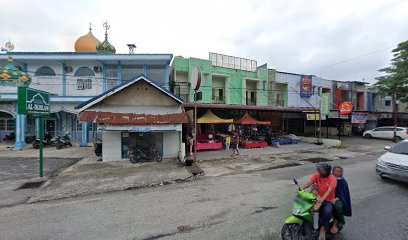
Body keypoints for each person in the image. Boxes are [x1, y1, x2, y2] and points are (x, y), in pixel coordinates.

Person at [300, 162, 337, 240]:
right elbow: (309, 183)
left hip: (328, 200)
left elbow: (329, 191)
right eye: (319, 169)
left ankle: (322, 230)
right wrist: (301, 188)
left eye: (321, 170)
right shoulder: (317, 175)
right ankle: (310, 224)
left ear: (327, 171)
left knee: (327, 212)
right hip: (318, 197)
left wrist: (321, 199)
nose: (320, 171)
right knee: (307, 206)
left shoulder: (332, 179)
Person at [330, 166, 352, 234]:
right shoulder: (329, 178)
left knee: (337, 207)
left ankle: (338, 222)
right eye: (336, 171)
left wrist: (336, 198)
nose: (337, 173)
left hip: (339, 199)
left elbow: (343, 194)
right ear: (333, 171)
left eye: (339, 171)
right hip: (328, 197)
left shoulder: (342, 181)